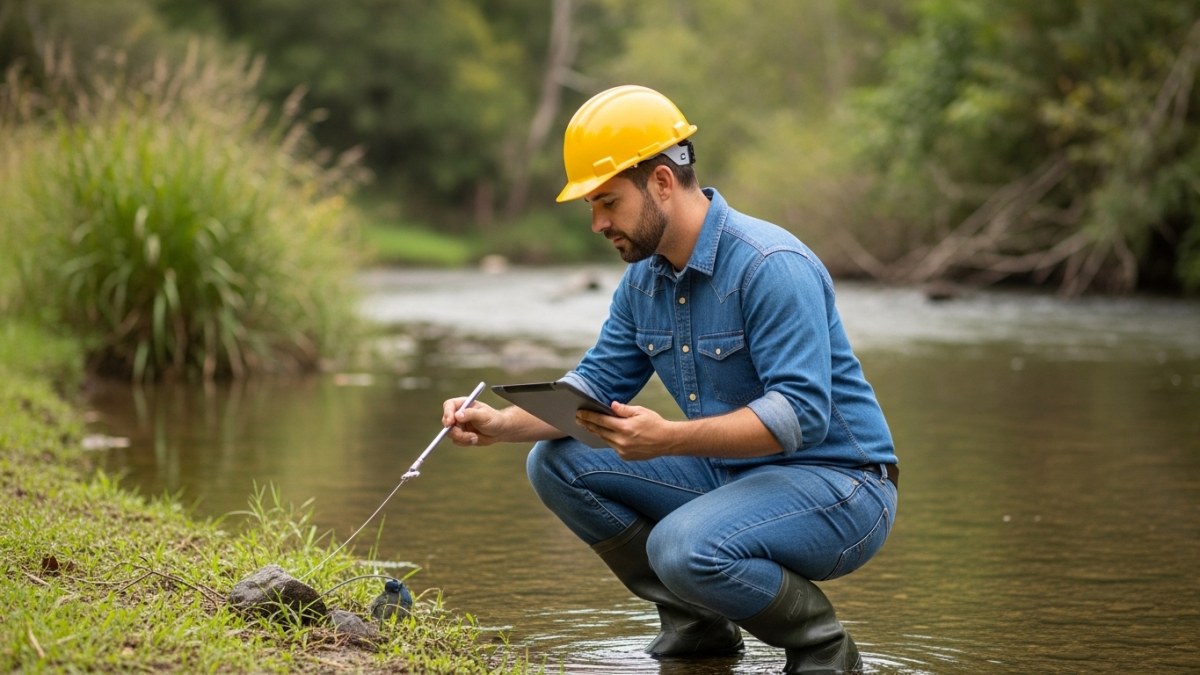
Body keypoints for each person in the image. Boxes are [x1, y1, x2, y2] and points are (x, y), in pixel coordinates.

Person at [442, 84, 898, 675]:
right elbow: (591, 388)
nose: (596, 223)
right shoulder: (644, 282)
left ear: (660, 182)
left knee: (680, 546)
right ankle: (701, 629)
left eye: (606, 202)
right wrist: (501, 425)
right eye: (591, 207)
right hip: (736, 477)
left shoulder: (770, 266)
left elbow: (799, 416)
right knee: (555, 462)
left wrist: (672, 438)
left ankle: (823, 651)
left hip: (842, 487)